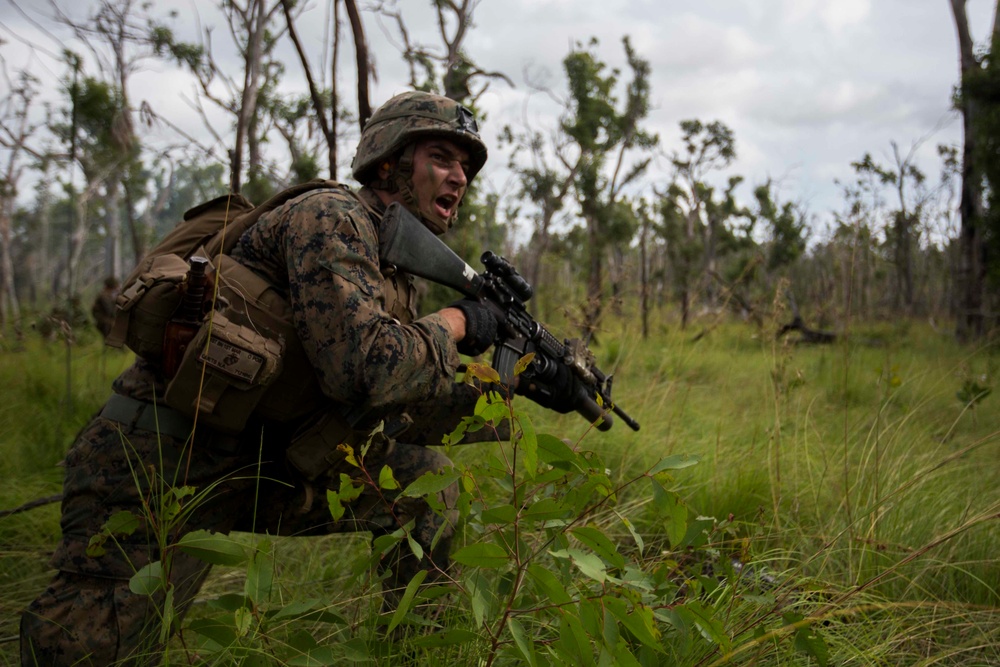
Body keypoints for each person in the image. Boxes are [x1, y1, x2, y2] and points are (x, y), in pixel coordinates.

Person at [20, 91, 515, 666]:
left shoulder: (395, 269)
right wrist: (459, 320)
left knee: (427, 487)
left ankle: (416, 655)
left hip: (260, 463)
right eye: (441, 157)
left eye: (466, 166)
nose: (458, 176)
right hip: (159, 459)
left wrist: (507, 383)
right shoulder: (333, 217)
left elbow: (392, 407)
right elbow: (364, 369)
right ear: (389, 161)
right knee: (89, 652)